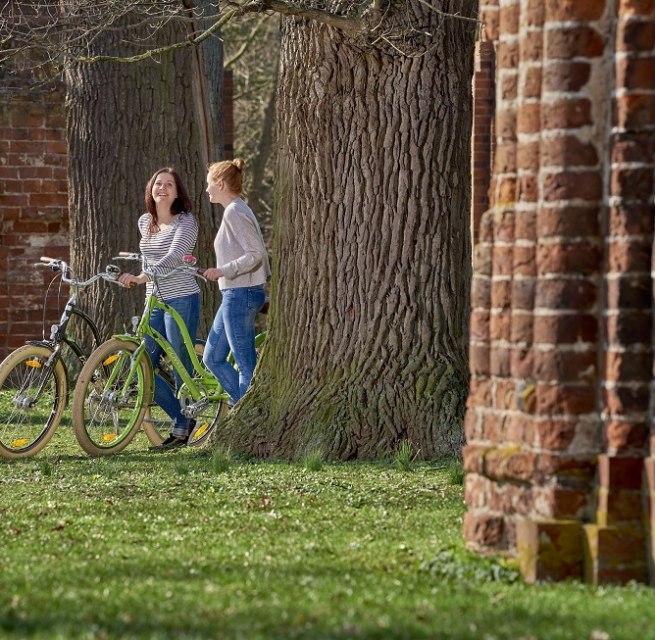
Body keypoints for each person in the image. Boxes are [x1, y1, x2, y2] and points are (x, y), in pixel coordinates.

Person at [118, 167, 200, 451]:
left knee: (180, 365)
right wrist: (142, 279)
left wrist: (142, 277)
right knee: (142, 365)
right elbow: (147, 259)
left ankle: (185, 423)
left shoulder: (186, 222)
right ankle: (182, 417)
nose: (162, 188)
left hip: (181, 298)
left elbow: (175, 255)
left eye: (169, 185)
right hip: (153, 300)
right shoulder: (145, 221)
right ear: (150, 189)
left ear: (177, 193)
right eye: (158, 184)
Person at [202, 158, 270, 407]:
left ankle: (248, 417)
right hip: (234, 293)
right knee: (212, 358)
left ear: (220, 183)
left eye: (209, 183)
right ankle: (242, 409)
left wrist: (223, 270)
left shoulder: (235, 212)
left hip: (242, 293)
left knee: (245, 364)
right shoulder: (236, 210)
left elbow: (256, 255)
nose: (207, 189)